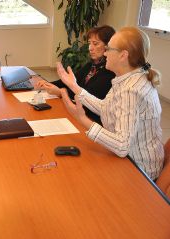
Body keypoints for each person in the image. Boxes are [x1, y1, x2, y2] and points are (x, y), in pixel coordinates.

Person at [57, 27, 164, 180]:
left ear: (123, 55)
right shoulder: (127, 77)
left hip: (139, 171)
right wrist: (74, 86)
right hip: (129, 160)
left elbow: (121, 146)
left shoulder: (131, 90)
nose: (105, 53)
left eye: (108, 49)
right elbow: (106, 108)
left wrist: (82, 119)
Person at [37, 25, 116, 124]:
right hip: (79, 112)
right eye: (89, 43)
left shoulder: (110, 71)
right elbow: (69, 82)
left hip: (92, 119)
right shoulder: (91, 65)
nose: (90, 48)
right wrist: (47, 83)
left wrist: (62, 92)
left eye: (95, 44)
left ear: (109, 46)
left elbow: (87, 95)